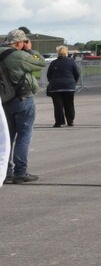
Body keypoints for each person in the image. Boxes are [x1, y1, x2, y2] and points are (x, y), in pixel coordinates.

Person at [1, 29, 46, 184]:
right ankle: (20, 172)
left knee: (7, 138)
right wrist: (30, 49)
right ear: (19, 43)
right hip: (22, 99)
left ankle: (5, 173)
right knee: (24, 135)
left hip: (4, 101)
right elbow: (40, 62)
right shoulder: (19, 55)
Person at [46, 46, 80, 127]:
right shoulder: (71, 62)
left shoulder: (53, 63)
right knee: (69, 104)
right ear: (66, 53)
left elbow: (49, 75)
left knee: (58, 105)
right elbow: (77, 74)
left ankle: (59, 122)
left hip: (56, 86)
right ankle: (70, 120)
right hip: (69, 86)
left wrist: (52, 81)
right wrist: (73, 82)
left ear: (58, 53)